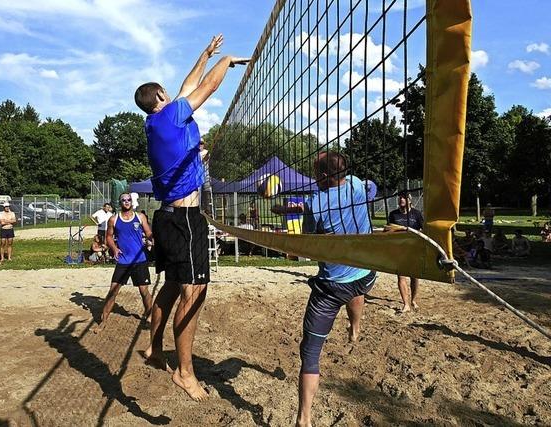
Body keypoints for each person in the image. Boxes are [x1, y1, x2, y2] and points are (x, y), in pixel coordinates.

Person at [134, 34, 249, 401]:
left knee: (169, 286)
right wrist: (225, 61)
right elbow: (208, 86)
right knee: (194, 292)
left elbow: (187, 86)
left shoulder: (154, 122)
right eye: (170, 93)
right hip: (185, 219)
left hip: (168, 217)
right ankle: (185, 373)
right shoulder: (172, 115)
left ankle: (154, 350)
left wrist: (204, 54)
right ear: (162, 99)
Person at [272, 152, 376, 427]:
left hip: (331, 288)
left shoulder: (316, 203)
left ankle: (304, 419)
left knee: (310, 351)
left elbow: (309, 242)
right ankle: (355, 328)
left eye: (315, 172)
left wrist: (295, 211)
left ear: (323, 176)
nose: (312, 176)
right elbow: (371, 187)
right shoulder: (358, 185)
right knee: (357, 288)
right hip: (367, 273)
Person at [95, 193, 153, 332]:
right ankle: (103, 321)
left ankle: (150, 316)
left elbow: (149, 233)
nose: (126, 202)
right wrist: (114, 248)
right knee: (112, 291)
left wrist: (153, 239)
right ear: (120, 203)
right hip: (123, 261)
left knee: (144, 291)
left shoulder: (140, 217)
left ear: (132, 202)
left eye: (128, 200)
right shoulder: (114, 220)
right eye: (123, 200)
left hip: (139, 260)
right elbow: (108, 237)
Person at [387, 191, 424, 313]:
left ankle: (413, 300)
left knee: (414, 277)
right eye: (400, 197)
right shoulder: (393, 215)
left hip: (414, 249)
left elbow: (424, 231)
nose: (401, 199)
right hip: (400, 250)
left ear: (410, 200)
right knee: (401, 276)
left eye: (404, 197)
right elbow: (388, 230)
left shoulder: (417, 214)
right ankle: (406, 304)